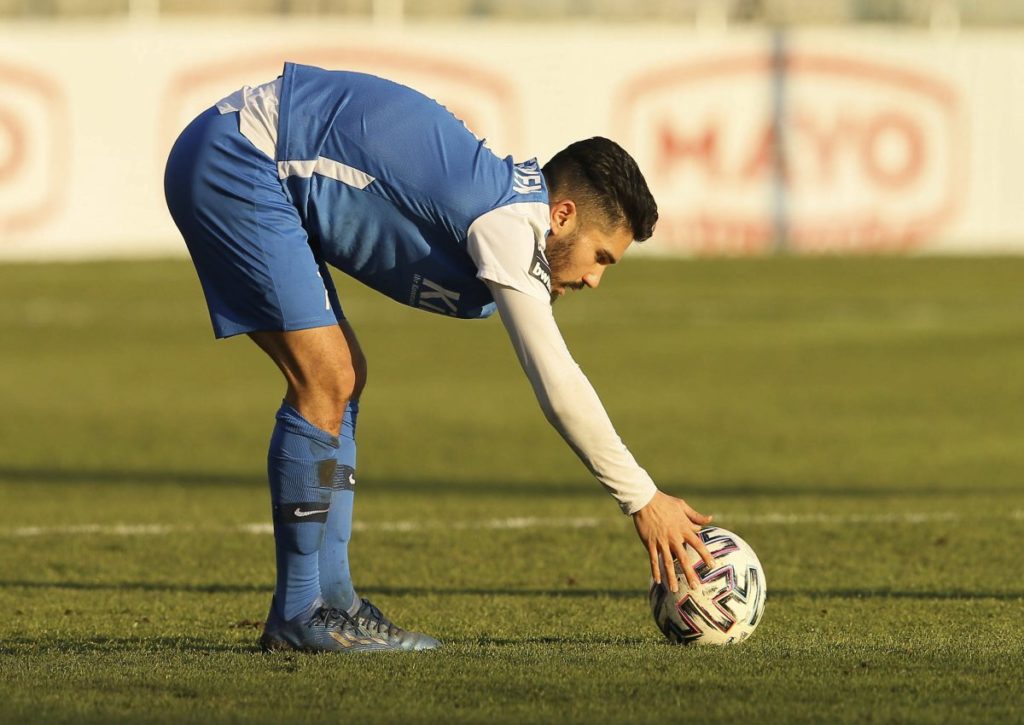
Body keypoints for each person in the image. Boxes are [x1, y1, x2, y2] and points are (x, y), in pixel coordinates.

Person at [164, 62, 716, 653]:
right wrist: (642, 498)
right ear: (562, 215)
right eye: (601, 257)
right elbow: (555, 378)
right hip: (240, 156)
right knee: (326, 378)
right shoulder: (505, 220)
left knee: (344, 378)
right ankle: (300, 611)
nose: (595, 280)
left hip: (251, 154)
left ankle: (333, 603)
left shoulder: (508, 208)